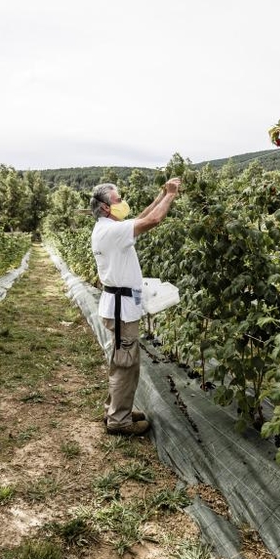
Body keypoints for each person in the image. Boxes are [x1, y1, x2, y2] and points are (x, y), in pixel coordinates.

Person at [90, 178, 181, 436]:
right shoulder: (111, 232)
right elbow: (152, 221)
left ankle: (116, 409)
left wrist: (161, 194)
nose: (123, 203)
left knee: (122, 362)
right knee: (126, 364)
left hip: (118, 307)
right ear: (106, 208)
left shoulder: (108, 229)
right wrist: (171, 195)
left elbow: (141, 217)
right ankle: (119, 420)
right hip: (121, 310)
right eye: (118, 200)